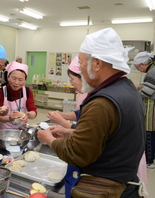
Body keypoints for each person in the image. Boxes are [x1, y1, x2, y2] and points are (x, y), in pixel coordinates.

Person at [37, 28, 146, 197]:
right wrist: (69, 131)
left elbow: (77, 153)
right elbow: (110, 137)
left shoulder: (102, 103)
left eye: (81, 62)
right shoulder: (127, 89)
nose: (80, 69)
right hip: (125, 182)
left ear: (97, 64)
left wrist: (49, 139)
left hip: (106, 186)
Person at [0, 61, 37, 131]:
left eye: (20, 80)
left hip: (20, 130)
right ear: (8, 77)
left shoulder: (27, 92)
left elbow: (33, 111)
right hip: (3, 131)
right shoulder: (0, 92)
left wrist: (28, 114)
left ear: (25, 80)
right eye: (14, 78)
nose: (16, 83)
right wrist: (10, 118)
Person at [47, 55, 87, 129]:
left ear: (83, 78)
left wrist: (61, 121)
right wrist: (62, 115)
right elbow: (80, 113)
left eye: (72, 79)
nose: (71, 83)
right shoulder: (88, 94)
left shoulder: (97, 99)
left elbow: (84, 132)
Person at [133, 52, 155, 169]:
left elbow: (146, 93)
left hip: (152, 105)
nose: (139, 70)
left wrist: (133, 92)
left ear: (143, 64)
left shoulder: (151, 72)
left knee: (149, 131)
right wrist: (141, 86)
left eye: (138, 68)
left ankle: (149, 160)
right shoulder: (153, 69)